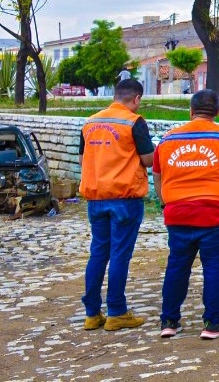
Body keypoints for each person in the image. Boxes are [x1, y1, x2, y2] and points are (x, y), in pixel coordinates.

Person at [153, 89, 219, 340]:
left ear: (191, 111)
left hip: (178, 214)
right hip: (216, 215)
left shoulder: (167, 140)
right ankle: (212, 324)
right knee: (213, 269)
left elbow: (157, 174)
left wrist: (166, 201)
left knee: (176, 267)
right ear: (217, 112)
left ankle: (169, 321)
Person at [79, 78, 154, 331]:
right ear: (136, 99)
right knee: (120, 255)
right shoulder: (134, 122)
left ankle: (91, 314)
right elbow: (148, 159)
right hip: (125, 198)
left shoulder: (90, 123)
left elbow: (83, 158)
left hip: (96, 198)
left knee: (98, 254)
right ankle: (117, 312)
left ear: (115, 95)